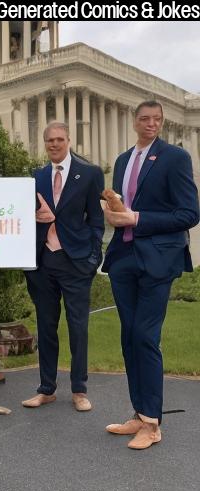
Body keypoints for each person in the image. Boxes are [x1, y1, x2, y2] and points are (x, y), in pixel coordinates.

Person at [102, 100, 199, 450]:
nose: (151, 124)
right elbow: (122, 208)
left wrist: (137, 218)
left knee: (145, 335)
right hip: (124, 258)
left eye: (157, 119)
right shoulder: (123, 161)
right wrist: (115, 215)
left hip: (158, 259)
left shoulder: (175, 158)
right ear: (134, 121)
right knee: (129, 337)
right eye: (145, 119)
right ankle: (139, 413)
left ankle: (153, 424)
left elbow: (189, 213)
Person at [22, 122, 104, 413]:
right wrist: (35, 217)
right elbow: (24, 216)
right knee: (45, 327)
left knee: (78, 327)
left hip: (76, 261)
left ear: (68, 140)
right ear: (44, 144)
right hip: (43, 262)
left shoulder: (90, 174)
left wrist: (94, 257)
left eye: (59, 139)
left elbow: (96, 219)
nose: (55, 144)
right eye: (49, 141)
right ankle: (46, 389)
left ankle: (79, 390)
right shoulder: (37, 176)